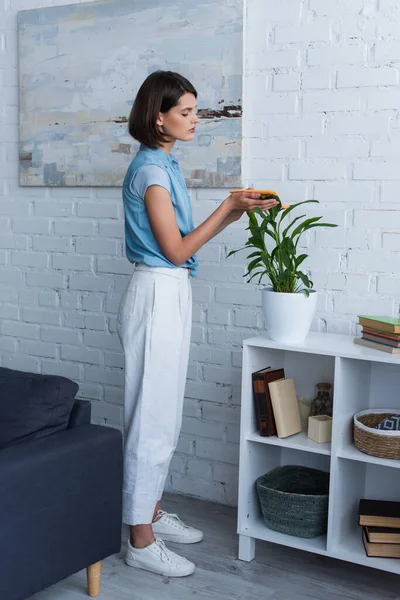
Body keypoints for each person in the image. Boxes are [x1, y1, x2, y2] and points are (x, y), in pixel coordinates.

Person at [117, 70, 278, 578]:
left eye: (194, 110)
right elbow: (176, 249)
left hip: (170, 291)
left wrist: (232, 213)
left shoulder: (165, 164)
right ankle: (139, 540)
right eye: (185, 112)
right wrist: (227, 207)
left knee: (163, 412)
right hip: (156, 292)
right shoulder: (153, 172)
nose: (195, 119)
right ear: (157, 116)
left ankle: (152, 514)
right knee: (151, 416)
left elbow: (180, 247)